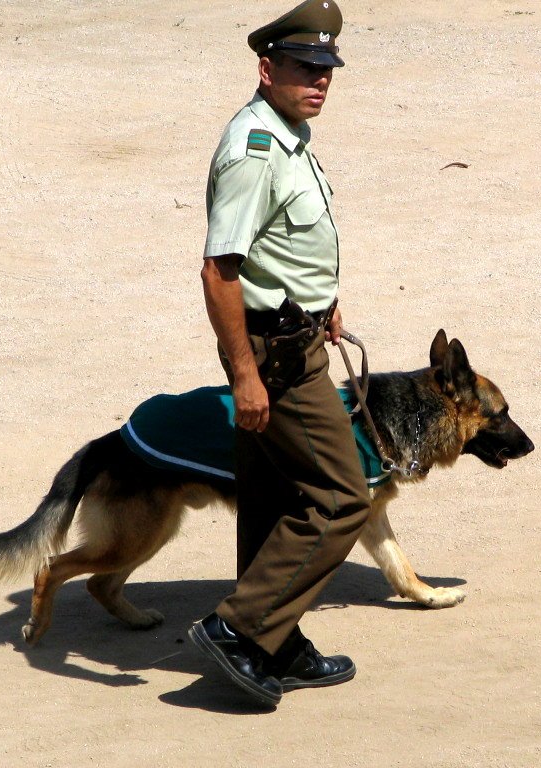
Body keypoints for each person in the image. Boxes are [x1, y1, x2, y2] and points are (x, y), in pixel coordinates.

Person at [189, 0, 372, 707]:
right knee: (339, 496)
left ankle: (280, 640)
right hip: (274, 357)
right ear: (267, 70)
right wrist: (245, 374)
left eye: (326, 70)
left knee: (274, 498)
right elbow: (220, 269)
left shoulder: (286, 133)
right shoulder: (254, 150)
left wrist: (323, 300)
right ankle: (239, 631)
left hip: (296, 334)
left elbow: (279, 246)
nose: (319, 81)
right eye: (305, 69)